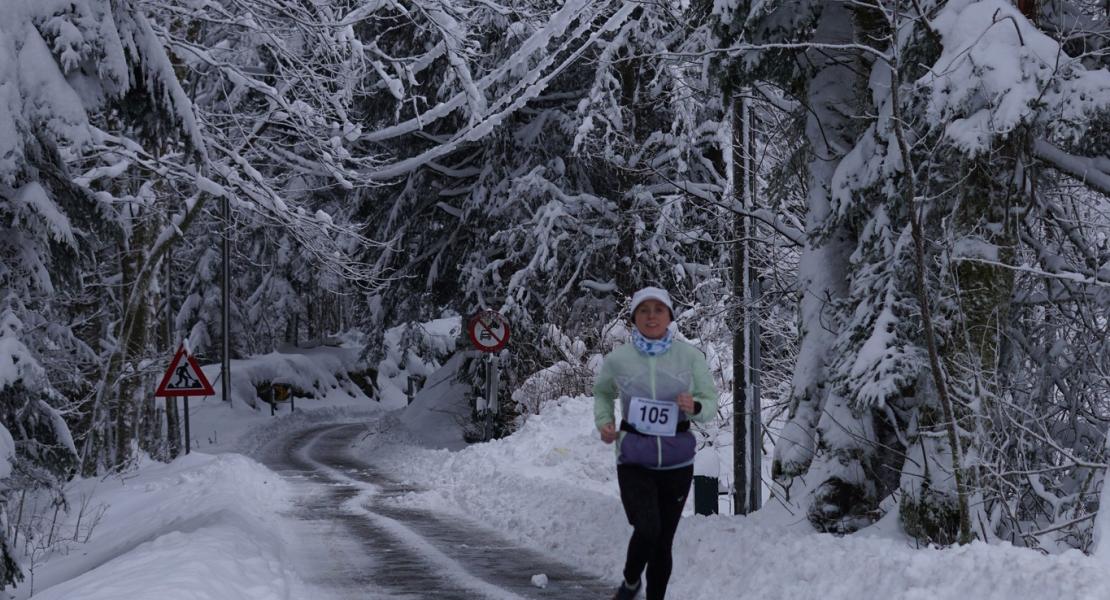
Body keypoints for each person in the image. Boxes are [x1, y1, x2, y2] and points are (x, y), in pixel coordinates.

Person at [594, 286, 718, 600]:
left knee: (663, 541)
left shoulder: (689, 356)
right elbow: (603, 392)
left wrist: (695, 406)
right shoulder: (619, 359)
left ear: (669, 316)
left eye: (658, 310)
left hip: (677, 460)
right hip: (634, 457)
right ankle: (631, 581)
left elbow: (709, 401)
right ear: (634, 317)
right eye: (644, 310)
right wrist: (605, 422)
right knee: (648, 527)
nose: (651, 316)